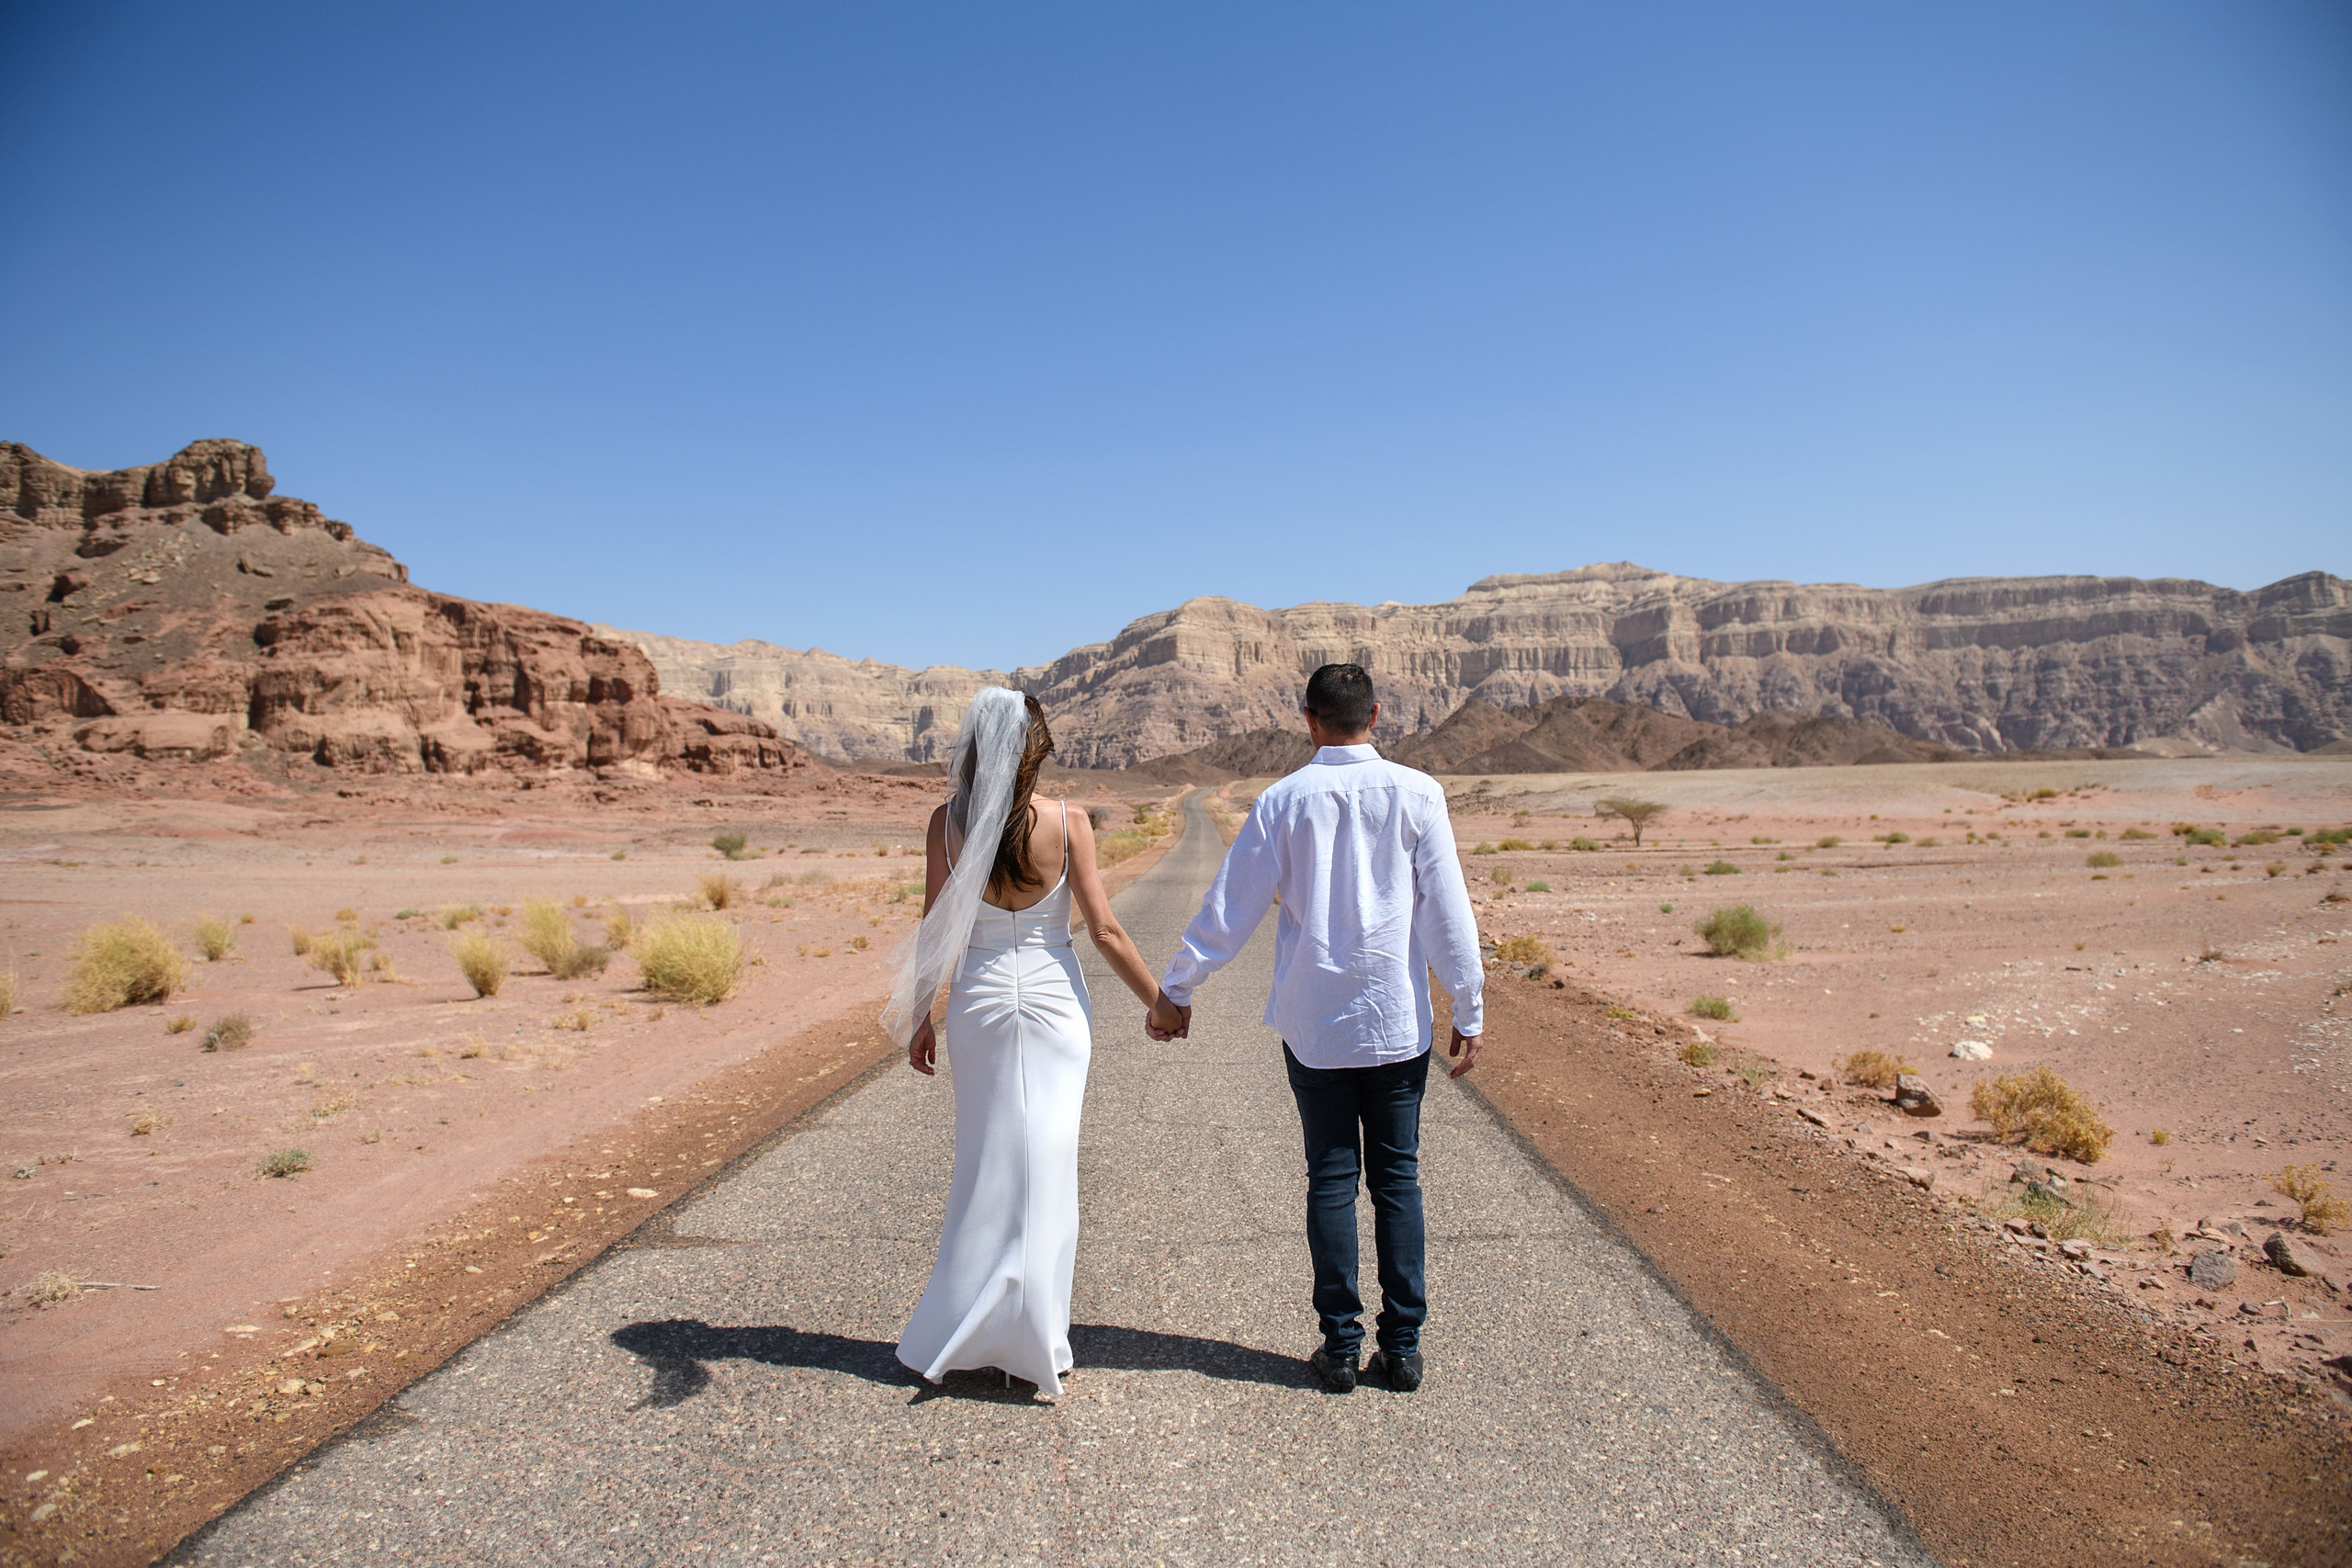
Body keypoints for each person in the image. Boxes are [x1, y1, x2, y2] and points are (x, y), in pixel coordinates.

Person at [1147, 663, 1483, 1394]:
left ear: (1309, 718)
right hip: (1396, 1023)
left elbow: (1229, 908)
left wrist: (1176, 987)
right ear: (1378, 714)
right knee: (1398, 1177)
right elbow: (1445, 909)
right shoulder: (1419, 793)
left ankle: (1338, 1348)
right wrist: (1469, 1000)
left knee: (1331, 1176)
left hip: (1315, 1027)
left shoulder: (1281, 801)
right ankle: (1403, 1348)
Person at [885, 687, 1170, 1397]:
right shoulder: (1070, 821)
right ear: (1035, 750)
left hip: (979, 1004)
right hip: (1053, 1006)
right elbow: (1104, 930)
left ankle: (969, 1328)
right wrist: (1161, 1001)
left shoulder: (944, 825)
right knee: (1049, 1165)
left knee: (984, 1161)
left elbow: (935, 928)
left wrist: (922, 1014)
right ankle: (1036, 1336)